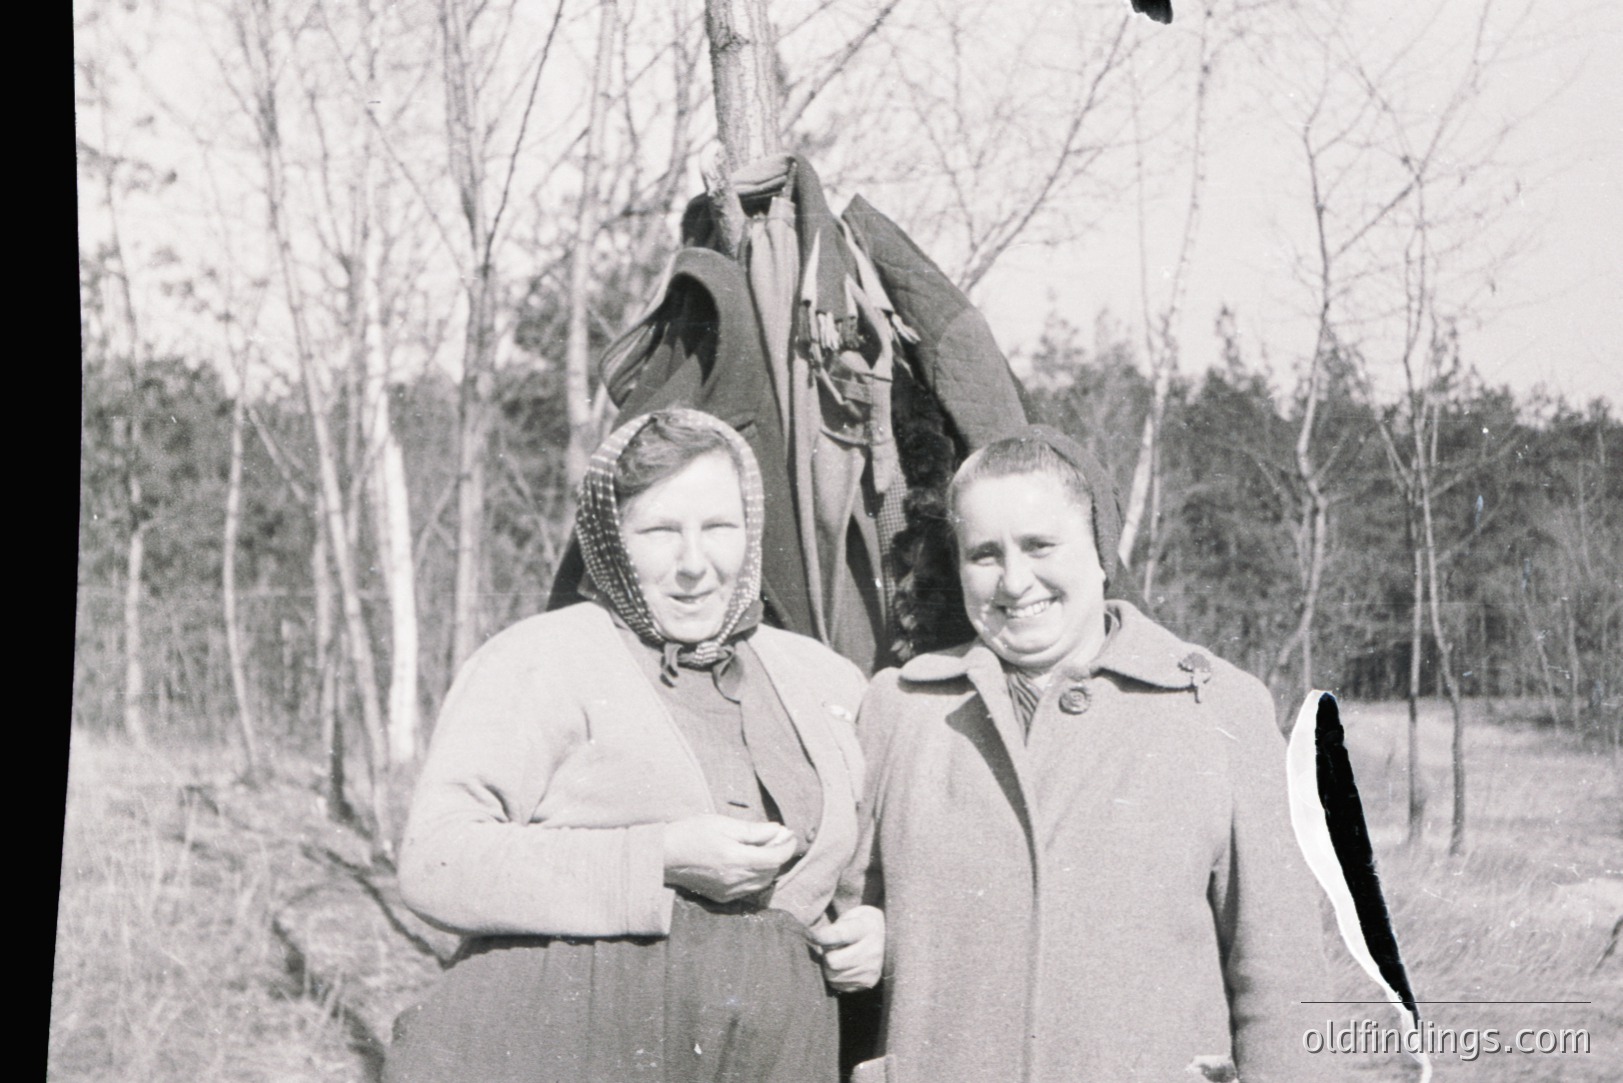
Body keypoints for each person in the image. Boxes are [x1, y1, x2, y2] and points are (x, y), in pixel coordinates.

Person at [386, 408, 884, 1083]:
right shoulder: (539, 658)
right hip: (569, 1038)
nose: (693, 564)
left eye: (717, 527)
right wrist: (658, 858)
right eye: (658, 531)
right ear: (611, 540)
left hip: (770, 1048)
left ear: (751, 530)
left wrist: (870, 932)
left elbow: (859, 876)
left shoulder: (825, 677)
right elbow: (437, 860)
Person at [849, 426, 1332, 1083]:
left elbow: (1281, 977)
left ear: (1100, 550)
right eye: (984, 553)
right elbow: (843, 910)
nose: (1015, 581)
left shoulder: (1218, 707)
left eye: (1040, 545)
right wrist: (872, 932)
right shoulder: (898, 707)